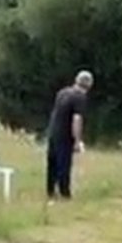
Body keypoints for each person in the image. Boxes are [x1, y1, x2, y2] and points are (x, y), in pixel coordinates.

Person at [46, 70, 93, 200]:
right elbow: (77, 119)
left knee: (52, 163)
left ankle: (50, 191)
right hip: (65, 135)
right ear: (89, 84)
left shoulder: (62, 92)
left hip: (53, 132)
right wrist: (77, 140)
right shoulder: (80, 97)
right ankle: (64, 193)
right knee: (64, 164)